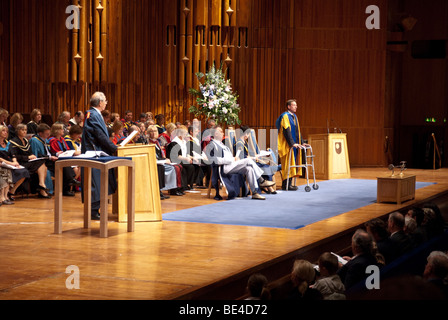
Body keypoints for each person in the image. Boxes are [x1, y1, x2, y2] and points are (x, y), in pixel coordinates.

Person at [204, 126, 275, 200]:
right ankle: (262, 181)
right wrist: (231, 159)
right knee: (248, 160)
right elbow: (214, 160)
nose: (222, 133)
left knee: (249, 168)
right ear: (216, 134)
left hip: (230, 164)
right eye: (221, 131)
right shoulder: (212, 145)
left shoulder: (222, 144)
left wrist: (235, 159)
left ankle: (255, 192)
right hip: (223, 168)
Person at [81, 92, 118, 220]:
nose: (106, 103)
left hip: (100, 153)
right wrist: (114, 148)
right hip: (94, 154)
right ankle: (93, 210)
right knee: (95, 183)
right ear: (100, 102)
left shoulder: (96, 114)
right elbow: (99, 135)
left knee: (101, 182)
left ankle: (96, 208)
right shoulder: (91, 114)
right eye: (105, 101)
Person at [8, 124, 50, 198]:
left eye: (25, 130)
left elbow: (30, 153)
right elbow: (15, 156)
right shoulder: (13, 142)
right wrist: (28, 157)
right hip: (20, 163)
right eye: (22, 130)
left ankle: (41, 185)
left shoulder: (26, 141)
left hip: (27, 162)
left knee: (42, 164)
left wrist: (32, 156)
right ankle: (13, 190)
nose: (24, 132)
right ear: (18, 131)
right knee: (34, 168)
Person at [276, 99, 309, 191]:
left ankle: (289, 184)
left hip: (293, 144)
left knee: (292, 163)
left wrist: (302, 142)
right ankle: (285, 185)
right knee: (287, 164)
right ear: (288, 107)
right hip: (287, 145)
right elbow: (287, 131)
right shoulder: (285, 116)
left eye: (296, 105)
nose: (296, 107)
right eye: (294, 105)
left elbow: (297, 130)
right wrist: (292, 143)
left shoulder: (294, 116)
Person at [235, 125, 276, 194]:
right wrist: (253, 157)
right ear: (245, 134)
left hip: (250, 161)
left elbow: (250, 153)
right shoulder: (239, 143)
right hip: (244, 163)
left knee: (266, 166)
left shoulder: (245, 142)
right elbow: (242, 157)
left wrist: (256, 155)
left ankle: (267, 186)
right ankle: (262, 187)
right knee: (262, 167)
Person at [148, 124, 181, 198]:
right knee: (161, 168)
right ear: (148, 132)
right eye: (151, 131)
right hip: (154, 162)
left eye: (155, 131)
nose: (153, 133)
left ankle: (172, 188)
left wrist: (165, 159)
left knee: (173, 168)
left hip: (160, 161)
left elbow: (160, 153)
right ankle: (159, 191)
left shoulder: (157, 141)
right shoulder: (148, 142)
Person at [166, 126, 201, 192]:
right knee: (189, 167)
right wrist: (186, 159)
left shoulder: (184, 142)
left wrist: (193, 158)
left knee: (196, 164)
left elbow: (186, 153)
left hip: (183, 159)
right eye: (184, 133)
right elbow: (176, 156)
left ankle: (190, 184)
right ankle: (183, 185)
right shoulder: (175, 142)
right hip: (176, 160)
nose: (186, 134)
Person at [0, 125, 29, 202]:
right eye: (3, 131)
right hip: (3, 163)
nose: (5, 133)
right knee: (6, 172)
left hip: (10, 164)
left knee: (24, 171)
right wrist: (10, 163)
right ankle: (3, 196)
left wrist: (15, 161)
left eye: (6, 131)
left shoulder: (7, 143)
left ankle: (9, 193)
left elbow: (13, 154)